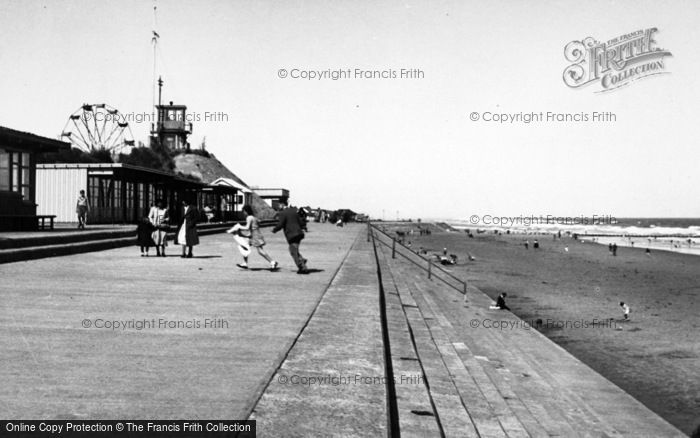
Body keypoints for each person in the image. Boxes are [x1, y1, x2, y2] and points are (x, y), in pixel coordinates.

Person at [227, 205, 278, 270]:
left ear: (246, 211)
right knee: (245, 247)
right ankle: (245, 263)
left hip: (255, 235)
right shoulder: (253, 217)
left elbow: (247, 227)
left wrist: (239, 226)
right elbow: (256, 225)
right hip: (255, 234)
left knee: (260, 251)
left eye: (243, 211)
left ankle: (272, 262)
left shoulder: (249, 218)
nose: (243, 213)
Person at [272, 201, 309, 274]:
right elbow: (301, 222)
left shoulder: (283, 213)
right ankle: (302, 260)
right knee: (294, 249)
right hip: (299, 233)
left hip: (292, 234)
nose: (278, 207)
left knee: (292, 251)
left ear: (282, 204)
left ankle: (302, 267)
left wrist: (274, 230)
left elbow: (280, 224)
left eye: (279, 205)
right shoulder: (294, 211)